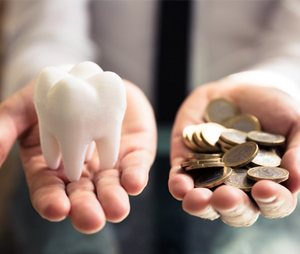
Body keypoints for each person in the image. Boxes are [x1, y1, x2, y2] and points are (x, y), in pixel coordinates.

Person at [0, 0, 300, 238]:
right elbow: (45, 27)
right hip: (108, 104)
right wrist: (52, 86)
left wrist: (275, 84)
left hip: (233, 100)